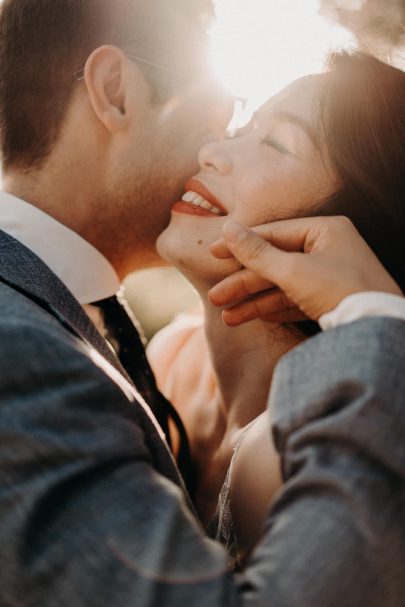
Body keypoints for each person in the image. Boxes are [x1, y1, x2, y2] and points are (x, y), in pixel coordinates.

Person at [0, 0, 404, 604]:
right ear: (114, 92)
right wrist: (376, 322)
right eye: (230, 121)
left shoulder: (113, 342)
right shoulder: (28, 347)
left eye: (273, 142)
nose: (213, 150)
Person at [151, 52, 405, 561]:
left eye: (273, 142)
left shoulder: (301, 450)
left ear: (354, 223)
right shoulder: (173, 358)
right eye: (242, 127)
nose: (212, 150)